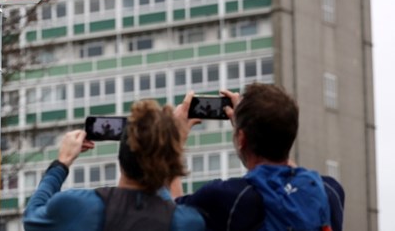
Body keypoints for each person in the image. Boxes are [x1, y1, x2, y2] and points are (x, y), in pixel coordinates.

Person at [172, 83, 345, 231]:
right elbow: (289, 174)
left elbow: (167, 215)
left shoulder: (228, 198)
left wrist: (174, 139)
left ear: (242, 139)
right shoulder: (330, 192)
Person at [23, 98, 205, 231]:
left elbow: (32, 216)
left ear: (121, 158)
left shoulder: (80, 206)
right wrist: (170, 143)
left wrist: (62, 162)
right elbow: (169, 203)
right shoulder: (187, 222)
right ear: (169, 160)